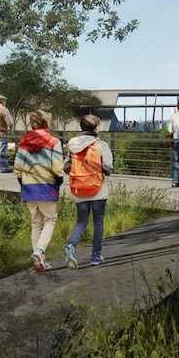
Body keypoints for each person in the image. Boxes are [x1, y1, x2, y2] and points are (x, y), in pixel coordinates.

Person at [13, 110, 64, 272]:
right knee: (50, 220)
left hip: (28, 186)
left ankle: (38, 262)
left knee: (36, 223)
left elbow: (17, 168)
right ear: (46, 123)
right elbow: (57, 167)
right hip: (46, 186)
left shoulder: (23, 141)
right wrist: (58, 183)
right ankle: (39, 251)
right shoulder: (53, 141)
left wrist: (24, 183)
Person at [61, 115, 113, 269]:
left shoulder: (72, 145)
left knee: (81, 221)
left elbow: (65, 168)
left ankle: (71, 246)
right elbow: (109, 169)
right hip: (97, 188)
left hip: (79, 188)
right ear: (96, 128)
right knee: (98, 221)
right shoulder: (101, 145)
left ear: (82, 128)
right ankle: (96, 256)